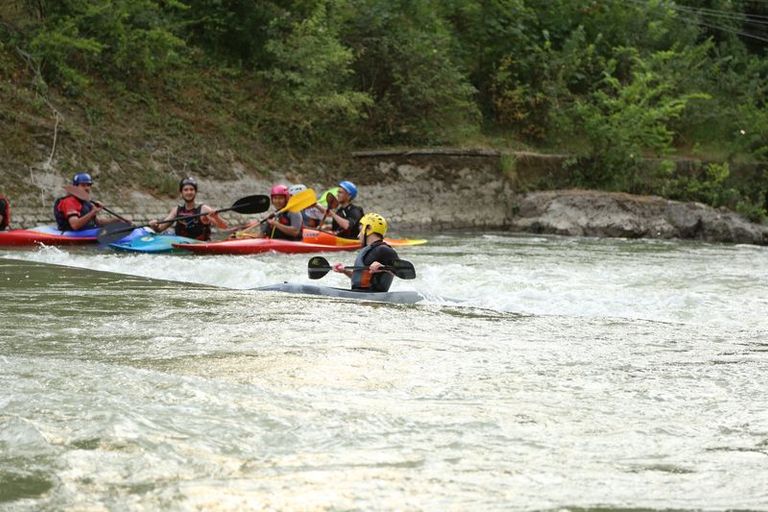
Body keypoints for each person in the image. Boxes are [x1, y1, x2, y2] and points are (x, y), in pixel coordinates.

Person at [332, 213, 399, 293]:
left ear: (369, 229)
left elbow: (403, 272)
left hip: (375, 298)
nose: (358, 235)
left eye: (360, 231)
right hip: (359, 294)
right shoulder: (367, 251)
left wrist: (384, 267)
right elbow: (360, 279)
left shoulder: (385, 250)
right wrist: (345, 271)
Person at [148, 177, 228, 241]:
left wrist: (216, 217)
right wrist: (154, 225)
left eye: (191, 189)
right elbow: (159, 229)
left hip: (200, 246)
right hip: (180, 245)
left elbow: (224, 227)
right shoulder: (176, 210)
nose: (189, 192)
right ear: (181, 193)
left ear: (195, 192)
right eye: (186, 190)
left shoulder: (204, 209)